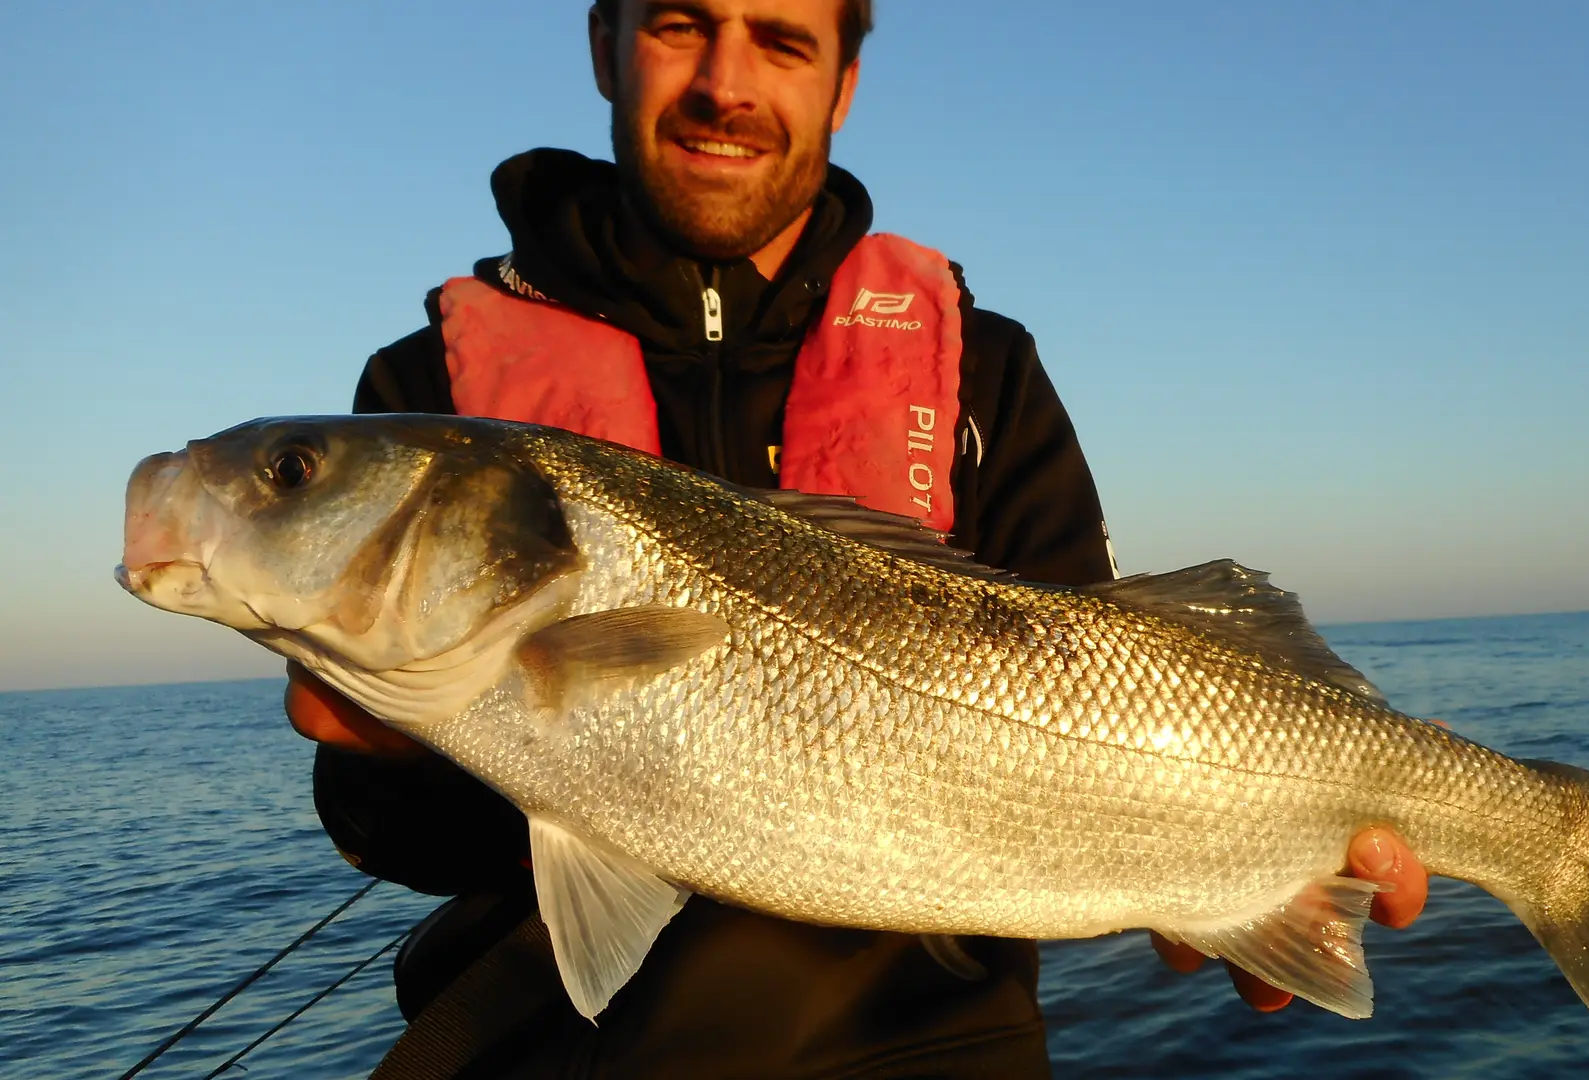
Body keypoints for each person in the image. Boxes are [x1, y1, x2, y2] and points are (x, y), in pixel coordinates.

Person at [285, 1, 1432, 1076]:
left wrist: (1225, 879)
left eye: (783, 41)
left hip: (935, 1046)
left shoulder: (985, 369)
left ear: (843, 84)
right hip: (554, 1050)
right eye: (681, 25)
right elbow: (384, 832)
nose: (726, 84)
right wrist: (400, 753)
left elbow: (1108, 685)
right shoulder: (427, 403)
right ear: (604, 46)